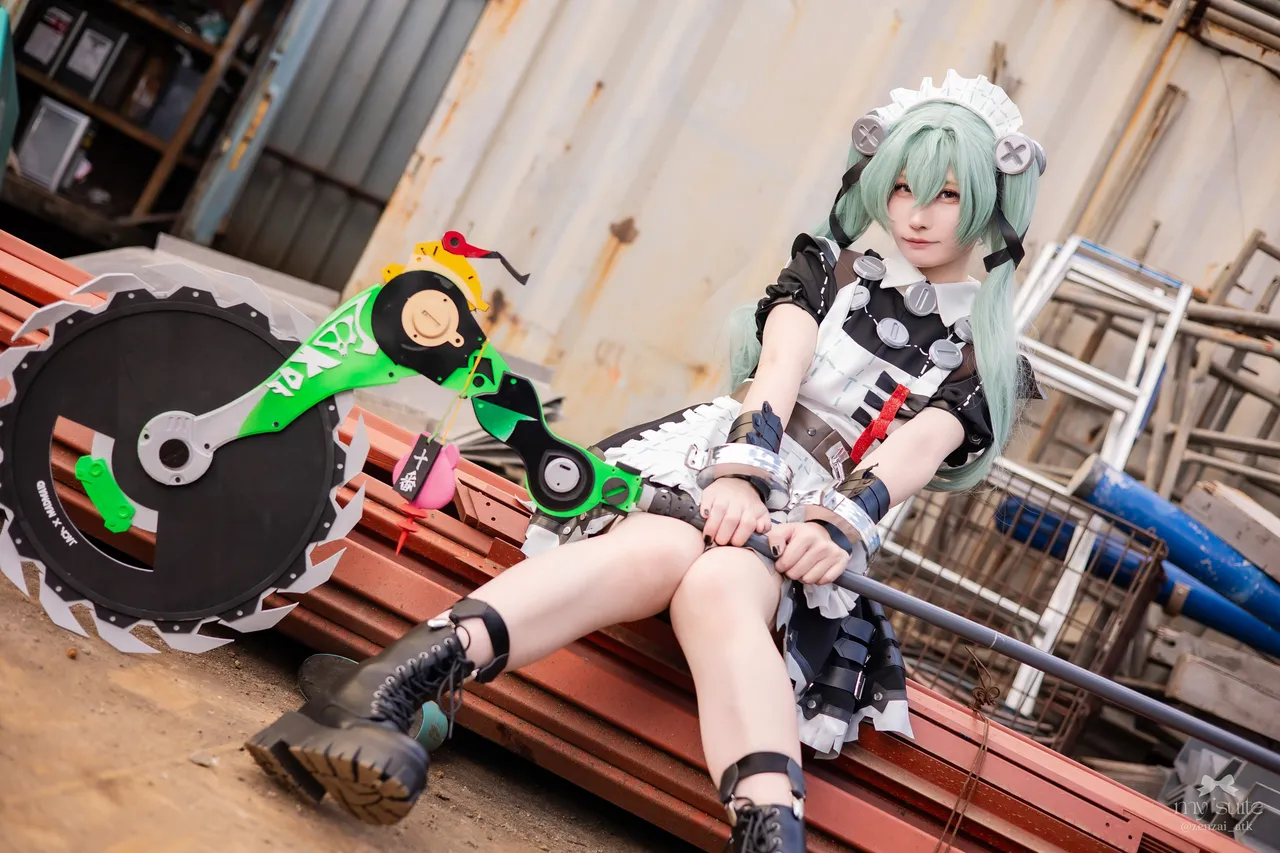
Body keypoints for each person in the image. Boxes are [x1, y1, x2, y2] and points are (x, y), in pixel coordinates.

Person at [246, 69, 1045, 853]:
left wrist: (836, 527)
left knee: (721, 585)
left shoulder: (988, 354)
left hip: (809, 528)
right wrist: (741, 473)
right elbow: (779, 368)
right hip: (722, 460)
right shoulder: (829, 270)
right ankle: (392, 686)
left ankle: (770, 835)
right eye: (902, 188)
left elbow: (917, 448)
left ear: (990, 201)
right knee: (661, 546)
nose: (916, 214)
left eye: (946, 195)